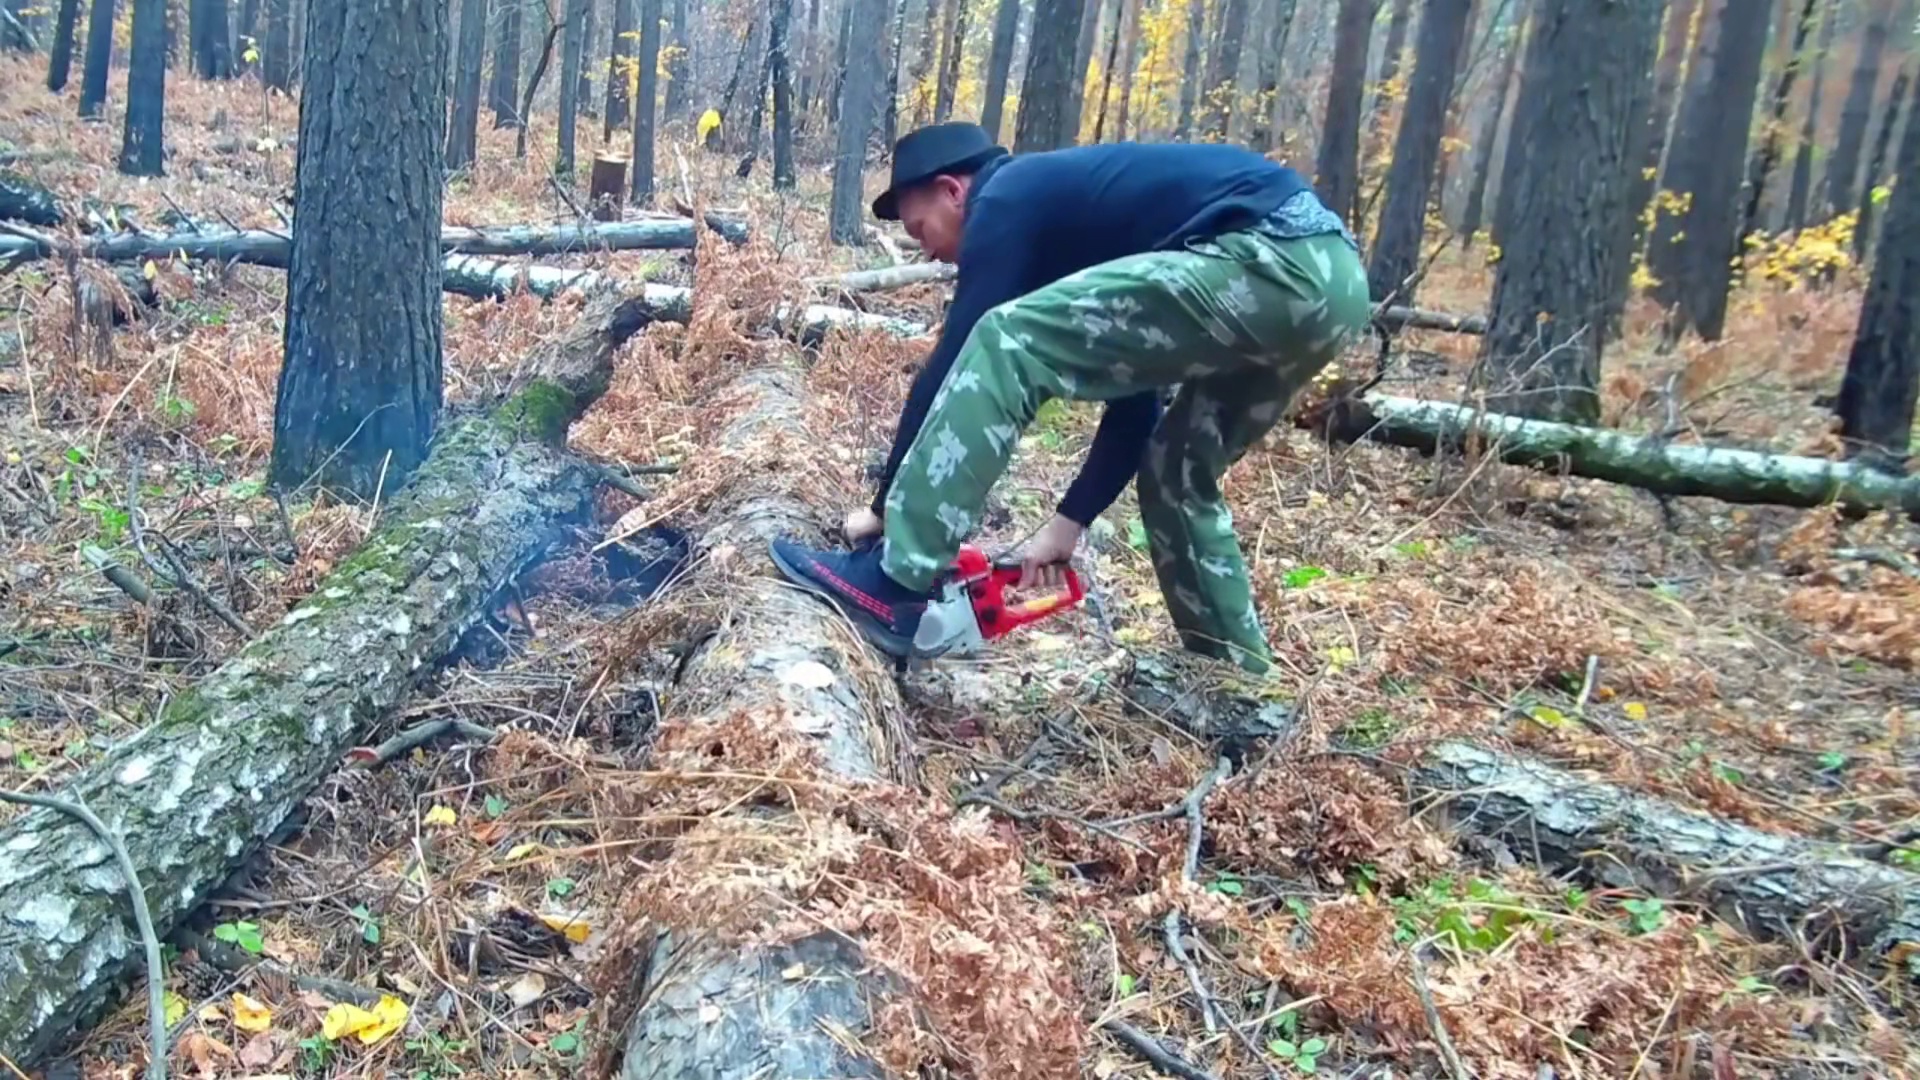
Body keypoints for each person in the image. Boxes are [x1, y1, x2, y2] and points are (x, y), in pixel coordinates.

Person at [770, 121, 1370, 675]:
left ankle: (893, 586)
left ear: (954, 191)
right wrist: (1068, 523)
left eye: (920, 229)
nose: (926, 251)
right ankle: (1232, 678)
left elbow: (957, 359)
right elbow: (1136, 401)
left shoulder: (1005, 197)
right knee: (1177, 474)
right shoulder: (1071, 221)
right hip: (1332, 280)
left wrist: (884, 513)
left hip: (1268, 255)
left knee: (1007, 338)